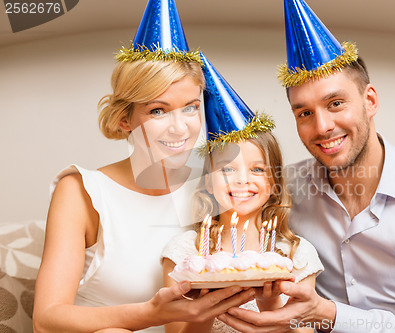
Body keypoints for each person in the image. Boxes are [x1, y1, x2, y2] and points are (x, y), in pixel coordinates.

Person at [217, 1, 395, 332]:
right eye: (304, 113)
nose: (322, 127)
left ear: (370, 101)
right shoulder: (283, 187)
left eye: (335, 103)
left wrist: (326, 313)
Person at [32, 1, 254, 332]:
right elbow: (45, 320)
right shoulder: (81, 191)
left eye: (190, 108)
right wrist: (152, 313)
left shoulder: (214, 188)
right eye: (158, 111)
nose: (180, 128)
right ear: (125, 119)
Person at [161, 54, 324, 333]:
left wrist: (270, 305)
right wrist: (203, 304)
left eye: (258, 169)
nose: (242, 181)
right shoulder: (187, 253)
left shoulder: (297, 254)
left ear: (274, 183)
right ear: (208, 183)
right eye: (227, 170)